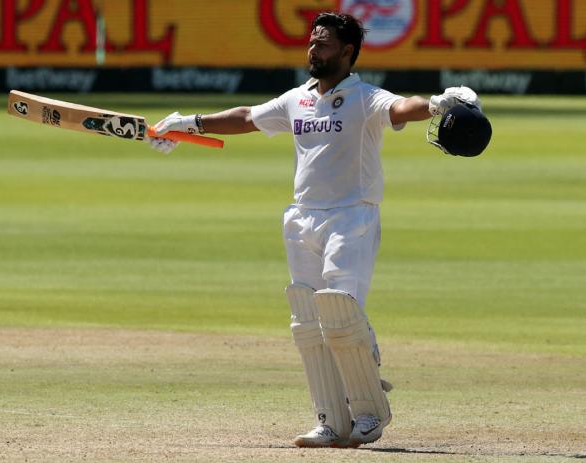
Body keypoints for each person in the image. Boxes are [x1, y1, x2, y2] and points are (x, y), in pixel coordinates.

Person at [148, 12, 481, 448]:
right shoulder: (297, 99)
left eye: (323, 44)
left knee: (339, 313)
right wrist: (190, 124)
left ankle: (367, 414)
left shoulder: (364, 97)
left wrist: (438, 103)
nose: (313, 49)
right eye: (312, 41)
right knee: (308, 322)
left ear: (346, 53)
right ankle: (329, 419)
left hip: (351, 216)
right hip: (301, 217)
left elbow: (401, 106)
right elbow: (248, 117)